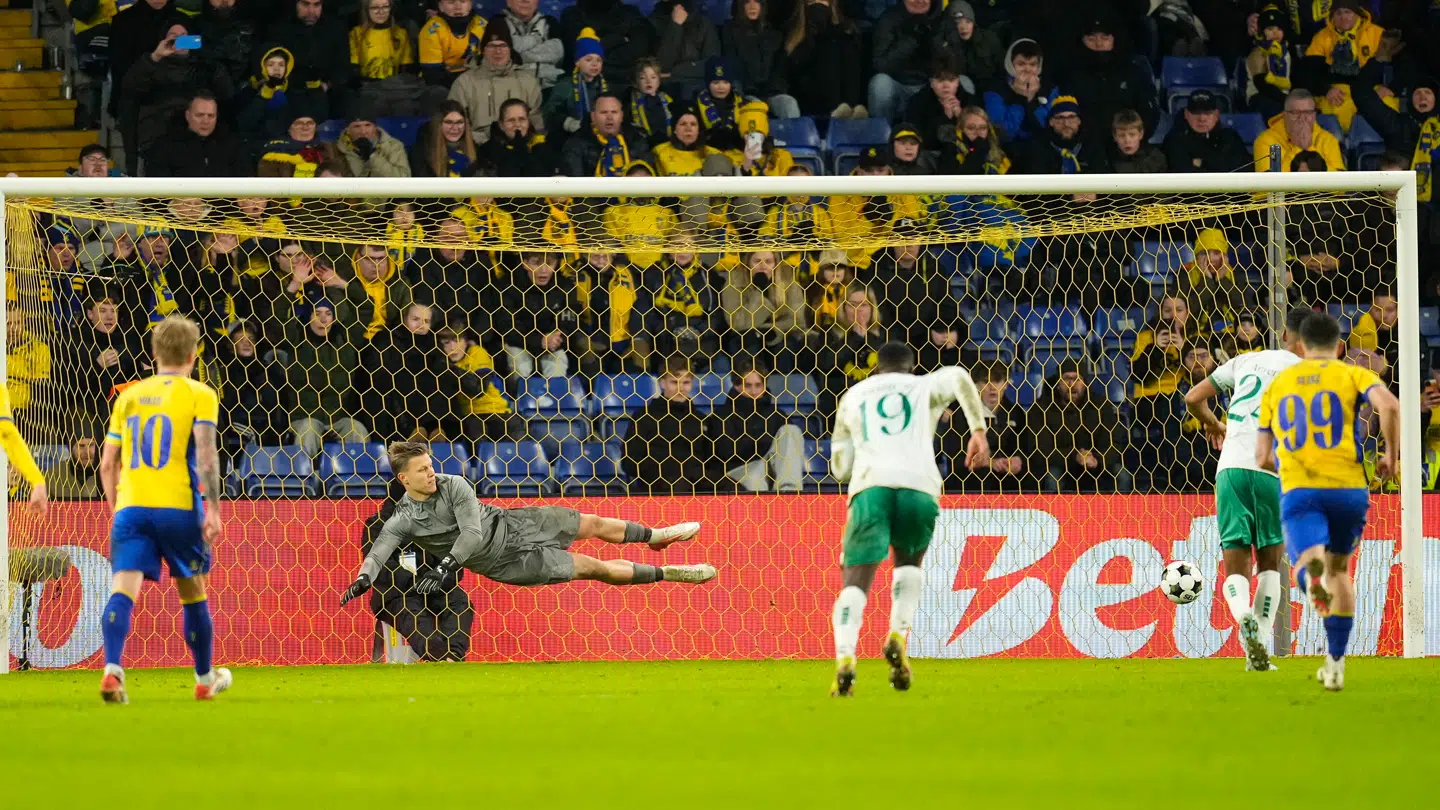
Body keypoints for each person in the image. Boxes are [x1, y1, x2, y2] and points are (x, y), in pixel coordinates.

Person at [339, 442, 716, 604]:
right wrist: (362, 579)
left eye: (431, 465)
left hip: (515, 524)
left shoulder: (453, 484)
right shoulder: (402, 518)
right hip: (506, 563)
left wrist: (446, 566)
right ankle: (669, 573)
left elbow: (471, 531)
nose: (432, 473)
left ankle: (657, 536)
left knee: (593, 522)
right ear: (403, 480)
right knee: (593, 568)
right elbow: (379, 550)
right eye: (422, 470)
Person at [828, 341, 990, 696]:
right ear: (912, 365)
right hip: (919, 488)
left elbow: (839, 468)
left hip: (871, 489)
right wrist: (977, 430)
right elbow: (961, 377)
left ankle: (845, 659)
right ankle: (898, 634)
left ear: (877, 368)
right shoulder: (924, 386)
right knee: (908, 565)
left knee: (855, 581)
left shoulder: (854, 396)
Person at [1256, 312, 1400, 692]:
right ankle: (1335, 663)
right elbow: (1390, 406)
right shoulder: (1352, 374)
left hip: (1302, 490)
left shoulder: (1280, 383)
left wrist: (1290, 459)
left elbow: (1261, 458)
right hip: (1349, 490)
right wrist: (1390, 455)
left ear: (1299, 346)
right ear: (1340, 347)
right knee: (1341, 571)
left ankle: (1311, 581)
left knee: (1308, 564)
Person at [96, 316, 230, 704]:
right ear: (193, 355)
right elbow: (207, 455)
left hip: (132, 506)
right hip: (178, 506)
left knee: (123, 589)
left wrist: (117, 509)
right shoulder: (200, 394)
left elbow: (107, 464)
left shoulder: (128, 396)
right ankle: (205, 679)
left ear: (154, 354)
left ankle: (112, 671)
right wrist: (214, 510)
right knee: (192, 591)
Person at [1184, 307, 1312, 673]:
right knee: (1271, 562)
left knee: (1235, 564)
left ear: (1285, 335)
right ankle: (1260, 653)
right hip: (1272, 471)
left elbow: (1193, 397)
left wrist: (1215, 425)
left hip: (1230, 468)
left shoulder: (1245, 360)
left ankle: (1244, 618)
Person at [361, 478, 474, 662]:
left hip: (435, 590)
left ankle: (453, 656)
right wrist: (417, 583)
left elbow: (454, 564)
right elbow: (380, 569)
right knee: (413, 614)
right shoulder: (377, 526)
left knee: (461, 603)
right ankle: (438, 656)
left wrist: (438, 578)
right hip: (396, 595)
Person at [708, 357, 804, 493]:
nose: (754, 391)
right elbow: (727, 452)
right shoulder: (722, 415)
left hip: (771, 470)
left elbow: (788, 448)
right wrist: (766, 444)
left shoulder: (777, 414)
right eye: (748, 385)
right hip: (737, 473)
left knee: (791, 430)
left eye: (758, 385)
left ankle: (789, 492)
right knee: (755, 478)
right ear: (737, 385)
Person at [622, 356, 715, 492]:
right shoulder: (644, 416)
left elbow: (710, 458)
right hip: (658, 483)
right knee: (679, 484)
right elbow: (629, 461)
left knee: (732, 486)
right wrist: (663, 470)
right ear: (662, 383)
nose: (680, 388)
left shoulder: (700, 419)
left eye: (686, 382)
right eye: (674, 382)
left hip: (697, 481)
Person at [448, 24, 545, 144]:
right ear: (483, 50)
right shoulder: (464, 82)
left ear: (510, 49)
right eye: (492, 46)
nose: (498, 51)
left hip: (519, 146)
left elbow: (536, 121)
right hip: (479, 146)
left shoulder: (527, 81)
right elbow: (454, 122)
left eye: (503, 46)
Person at [1304, 0, 1383, 134]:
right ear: (1332, 16)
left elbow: (1395, 65)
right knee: (1335, 109)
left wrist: (1390, 88)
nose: (1343, 17)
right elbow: (1308, 72)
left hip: (1371, 88)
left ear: (1358, 14)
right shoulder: (1322, 37)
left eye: (1348, 12)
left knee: (1387, 104)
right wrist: (1326, 89)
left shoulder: (1377, 34)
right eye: (1338, 13)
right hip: (1337, 89)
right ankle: (1339, 149)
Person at [784, 0, 867, 119]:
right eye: (814, 2)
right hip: (809, 94)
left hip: (841, 94)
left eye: (823, 1)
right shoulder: (794, 30)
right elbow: (793, 69)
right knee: (828, 49)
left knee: (845, 47)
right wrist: (814, 36)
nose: (819, 7)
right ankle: (837, 110)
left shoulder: (845, 27)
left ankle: (849, 108)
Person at [721, 0, 800, 119]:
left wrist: (773, 88)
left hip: (772, 92)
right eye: (747, 2)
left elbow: (780, 66)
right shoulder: (729, 31)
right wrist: (747, 90)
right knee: (755, 107)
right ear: (741, 6)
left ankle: (793, 137)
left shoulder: (775, 32)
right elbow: (733, 64)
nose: (752, 6)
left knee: (789, 103)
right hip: (747, 93)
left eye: (757, 2)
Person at [144, 90, 251, 178]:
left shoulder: (234, 145)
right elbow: (150, 195)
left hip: (224, 204)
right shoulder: (164, 146)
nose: (205, 121)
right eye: (199, 115)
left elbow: (247, 181)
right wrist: (172, 202)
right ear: (187, 115)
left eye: (211, 116)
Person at [982, 38, 1055, 143]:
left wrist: (1030, 99)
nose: (1027, 69)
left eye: (1033, 64)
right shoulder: (994, 91)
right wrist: (1020, 98)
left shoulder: (1050, 89)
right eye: (1021, 64)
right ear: (1010, 64)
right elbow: (1003, 135)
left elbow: (1048, 128)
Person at [1254, 89, 1345, 171]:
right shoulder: (1266, 141)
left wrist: (1310, 151)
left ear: (1314, 116)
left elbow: (1340, 185)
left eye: (1308, 113)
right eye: (1295, 113)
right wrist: (1297, 149)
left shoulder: (1328, 140)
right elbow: (1269, 186)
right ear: (1284, 115)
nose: (1302, 118)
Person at [1161, 90, 1250, 173]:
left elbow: (1243, 171)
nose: (1202, 118)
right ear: (1186, 114)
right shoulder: (1174, 140)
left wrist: (1201, 162)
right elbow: (1182, 176)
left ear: (1216, 115)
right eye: (1196, 112)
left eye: (1207, 113)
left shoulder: (1231, 137)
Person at [651, 0, 721, 99]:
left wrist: (676, 71)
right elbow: (662, 66)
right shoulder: (654, 23)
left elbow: (712, 64)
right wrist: (675, 26)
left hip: (699, 85)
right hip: (667, 88)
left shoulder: (704, 24)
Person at [476, 98, 556, 177]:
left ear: (528, 122)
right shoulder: (488, 150)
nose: (517, 124)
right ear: (501, 125)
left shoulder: (543, 148)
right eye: (511, 120)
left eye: (522, 119)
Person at [418, 0, 488, 88]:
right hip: (441, 84)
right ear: (441, 7)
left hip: (476, 79)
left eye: (463, 2)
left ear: (470, 5)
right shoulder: (431, 30)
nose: (458, 7)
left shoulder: (482, 24)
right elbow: (432, 74)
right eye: (451, 2)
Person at [932, 1, 1002, 87]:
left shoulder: (989, 39)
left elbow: (1002, 70)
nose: (963, 27)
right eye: (958, 22)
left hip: (989, 88)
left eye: (968, 21)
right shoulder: (942, 43)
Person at [500, 0, 565, 90]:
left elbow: (557, 52)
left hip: (548, 88)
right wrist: (537, 38)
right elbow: (503, 55)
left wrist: (519, 55)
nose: (525, 1)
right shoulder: (498, 23)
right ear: (508, 2)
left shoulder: (550, 22)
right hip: (511, 88)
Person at [336, 103, 412, 178]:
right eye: (357, 126)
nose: (363, 131)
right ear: (348, 130)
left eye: (367, 125)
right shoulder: (336, 148)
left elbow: (404, 178)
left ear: (375, 127)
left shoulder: (393, 145)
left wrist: (373, 156)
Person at [410, 101, 479, 177]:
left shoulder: (476, 150)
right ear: (438, 125)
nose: (455, 128)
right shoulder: (421, 153)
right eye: (449, 122)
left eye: (459, 122)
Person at [1109, 109, 1166, 173]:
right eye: (1122, 135)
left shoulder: (1155, 158)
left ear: (1141, 134)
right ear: (1115, 136)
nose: (1127, 140)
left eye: (1132, 135)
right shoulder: (1107, 161)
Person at [48, 435, 101, 500]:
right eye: (81, 446)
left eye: (91, 445)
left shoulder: (109, 472)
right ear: (71, 449)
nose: (87, 452)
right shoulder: (54, 474)